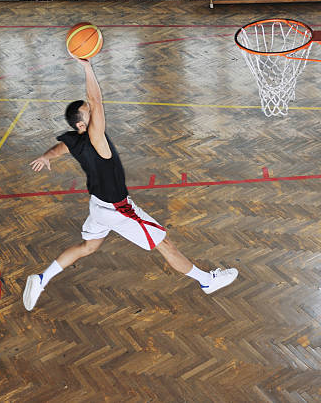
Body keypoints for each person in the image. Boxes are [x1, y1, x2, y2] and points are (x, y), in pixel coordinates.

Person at [23, 57, 238, 311]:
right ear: (83, 124)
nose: (95, 114)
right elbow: (96, 100)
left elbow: (61, 148)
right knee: (164, 244)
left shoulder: (75, 139)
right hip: (117, 208)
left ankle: (41, 279)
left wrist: (47, 156)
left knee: (88, 247)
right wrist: (87, 67)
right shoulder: (95, 139)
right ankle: (206, 281)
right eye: (89, 114)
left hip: (98, 206)